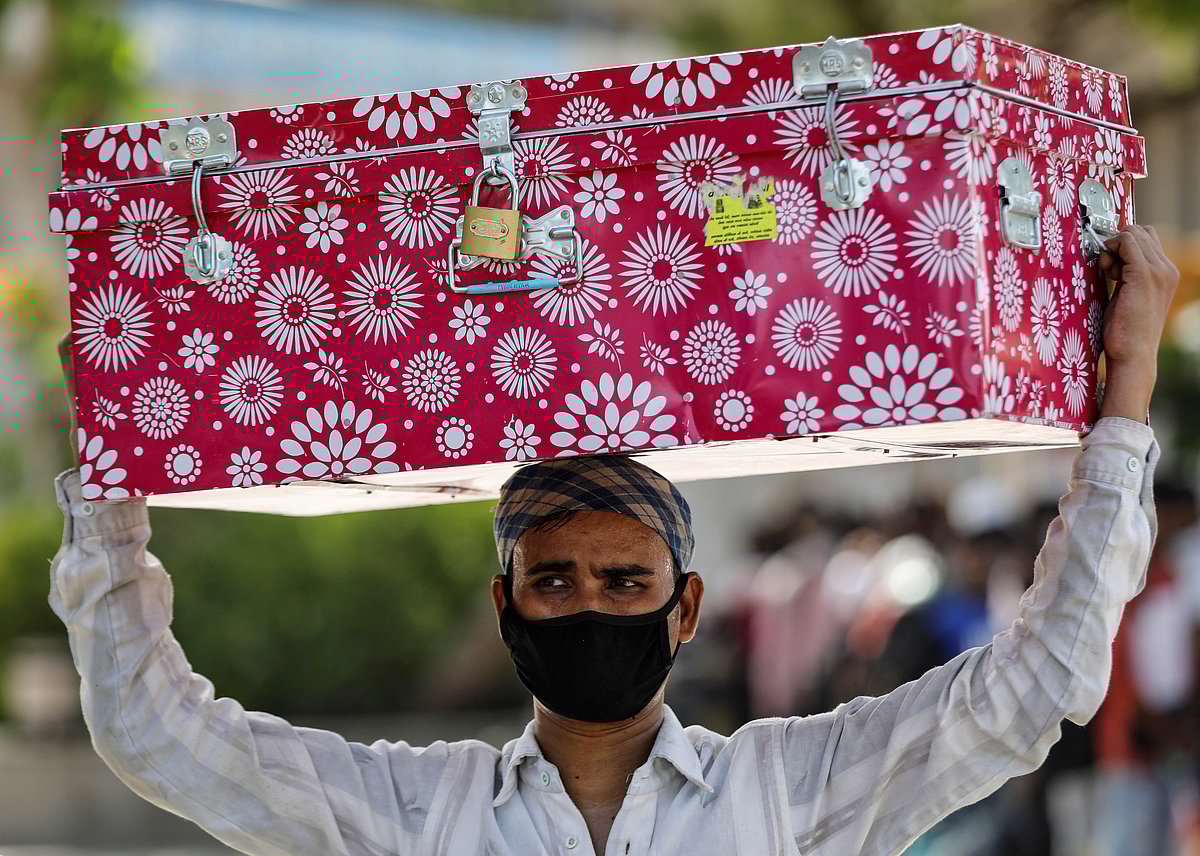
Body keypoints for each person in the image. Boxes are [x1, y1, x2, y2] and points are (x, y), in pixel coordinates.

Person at [48, 226, 1176, 856]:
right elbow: (156, 732)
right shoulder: (414, 813)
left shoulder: (789, 790)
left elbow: (1038, 684)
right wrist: (109, 466)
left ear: (684, 608)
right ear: (506, 607)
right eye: (554, 579)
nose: (589, 601)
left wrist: (1127, 388)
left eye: (625, 579)